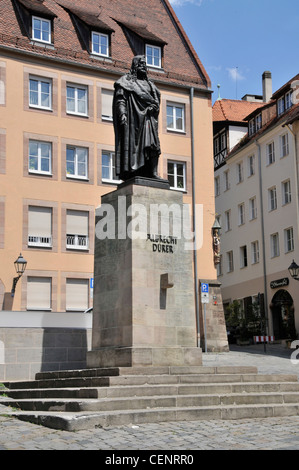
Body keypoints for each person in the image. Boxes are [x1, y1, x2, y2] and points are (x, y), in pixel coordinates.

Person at [113, 55, 161, 181]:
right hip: (134, 121)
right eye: (140, 64)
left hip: (149, 119)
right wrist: (122, 114)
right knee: (136, 146)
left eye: (145, 64)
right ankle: (136, 171)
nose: (143, 66)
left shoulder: (151, 85)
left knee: (153, 145)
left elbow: (157, 102)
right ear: (135, 66)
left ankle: (153, 172)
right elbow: (120, 99)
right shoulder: (126, 82)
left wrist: (155, 108)